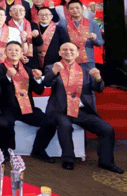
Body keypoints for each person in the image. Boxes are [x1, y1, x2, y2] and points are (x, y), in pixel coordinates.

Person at [43, 42, 122, 173]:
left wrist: (98, 79)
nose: (68, 52)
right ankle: (68, 159)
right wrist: (54, 72)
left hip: (81, 111)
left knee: (107, 129)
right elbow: (47, 82)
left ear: (77, 53)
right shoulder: (52, 67)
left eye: (72, 50)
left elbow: (99, 89)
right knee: (65, 125)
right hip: (60, 110)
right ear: (59, 53)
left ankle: (106, 162)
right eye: (65, 50)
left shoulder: (85, 71)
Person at [0, 41, 55, 163]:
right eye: (10, 50)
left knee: (50, 122)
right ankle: (5, 151)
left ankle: (38, 150)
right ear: (5, 52)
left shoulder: (28, 70)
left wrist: (38, 79)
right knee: (4, 123)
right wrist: (7, 77)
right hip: (7, 108)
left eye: (17, 50)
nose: (13, 52)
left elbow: (39, 91)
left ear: (22, 53)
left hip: (27, 108)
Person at [60, 0, 103, 72]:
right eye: (71, 8)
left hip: (88, 59)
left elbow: (100, 42)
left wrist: (94, 39)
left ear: (82, 9)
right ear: (68, 11)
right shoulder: (63, 23)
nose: (75, 10)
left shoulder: (92, 23)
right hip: (69, 58)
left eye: (77, 8)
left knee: (90, 78)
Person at [7, 3, 42, 68]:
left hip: (31, 57)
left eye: (21, 10)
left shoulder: (32, 25)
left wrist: (36, 37)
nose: (18, 12)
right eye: (15, 10)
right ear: (10, 13)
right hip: (13, 57)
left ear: (25, 13)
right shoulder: (6, 25)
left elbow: (39, 42)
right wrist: (20, 55)